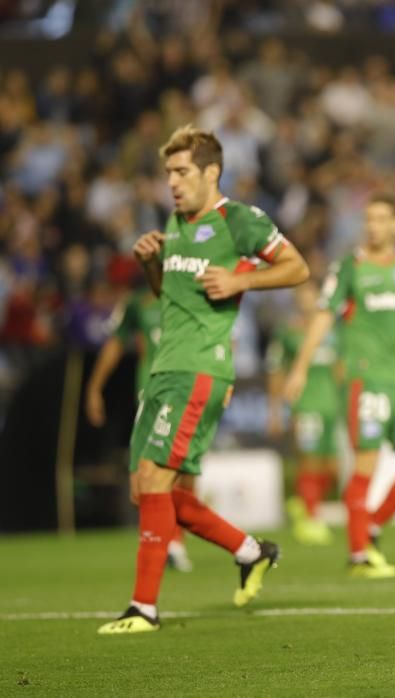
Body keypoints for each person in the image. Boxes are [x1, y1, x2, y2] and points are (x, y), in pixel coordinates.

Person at [97, 125, 310, 634]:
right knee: (146, 491)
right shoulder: (174, 222)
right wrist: (152, 264)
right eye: (168, 171)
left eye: (181, 171)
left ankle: (143, 608)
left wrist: (243, 279)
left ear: (211, 172)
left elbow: (296, 266)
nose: (171, 181)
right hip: (162, 369)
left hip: (200, 368)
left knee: (154, 483)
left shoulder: (238, 219)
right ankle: (250, 550)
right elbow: (166, 295)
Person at [284, 195, 395, 579]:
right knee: (365, 466)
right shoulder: (349, 268)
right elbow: (323, 317)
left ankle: (372, 525)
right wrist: (298, 368)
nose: (374, 226)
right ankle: (359, 553)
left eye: (382, 219)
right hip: (367, 380)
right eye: (370, 219)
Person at [86, 286, 193, 572]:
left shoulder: (190, 294)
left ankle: (177, 539)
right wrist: (95, 388)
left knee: (185, 469)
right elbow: (115, 344)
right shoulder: (135, 303)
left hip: (187, 389)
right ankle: (166, 541)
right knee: (153, 467)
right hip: (152, 391)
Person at [266, 281, 341, 546]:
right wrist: (275, 410)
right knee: (310, 461)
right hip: (305, 405)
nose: (307, 302)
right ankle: (309, 516)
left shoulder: (332, 332)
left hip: (331, 405)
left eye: (311, 296)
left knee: (333, 468)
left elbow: (339, 368)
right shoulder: (288, 333)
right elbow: (275, 372)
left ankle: (302, 502)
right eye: (302, 297)